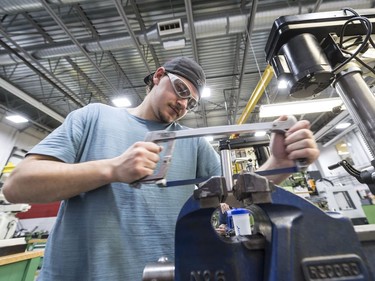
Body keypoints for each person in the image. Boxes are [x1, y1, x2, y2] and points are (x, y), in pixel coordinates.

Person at [2, 57, 319, 280]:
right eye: (181, 90)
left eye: (191, 102)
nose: (183, 104)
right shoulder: (94, 117)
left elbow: (235, 199)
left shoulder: (190, 141)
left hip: (166, 274)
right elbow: (18, 186)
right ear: (158, 76)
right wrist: (113, 169)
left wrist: (278, 165)